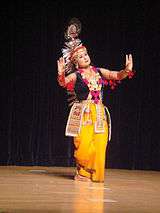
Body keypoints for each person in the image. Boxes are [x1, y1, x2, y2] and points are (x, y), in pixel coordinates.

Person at [57, 18, 135, 183]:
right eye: (80, 56)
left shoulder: (99, 71)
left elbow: (115, 75)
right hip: (84, 114)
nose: (85, 57)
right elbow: (64, 84)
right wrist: (60, 74)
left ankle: (92, 174)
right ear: (75, 62)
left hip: (99, 113)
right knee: (84, 145)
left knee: (100, 145)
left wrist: (126, 71)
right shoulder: (76, 75)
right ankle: (82, 172)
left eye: (85, 54)